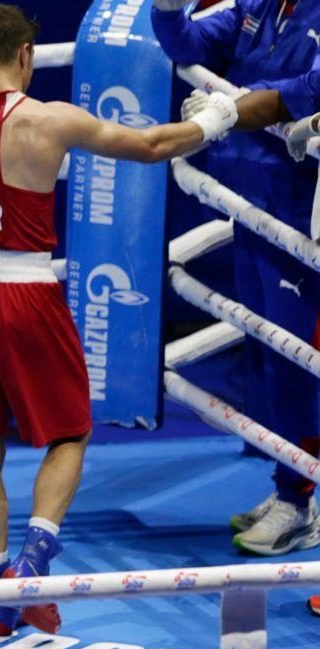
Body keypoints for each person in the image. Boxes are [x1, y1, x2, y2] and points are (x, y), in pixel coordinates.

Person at [0, 3, 238, 636]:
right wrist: (218, 118)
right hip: (22, 291)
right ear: (26, 55)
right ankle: (35, 559)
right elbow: (149, 145)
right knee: (70, 433)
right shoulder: (50, 121)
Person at [152, 0, 320, 557]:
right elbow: (189, 47)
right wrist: (168, 10)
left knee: (294, 362)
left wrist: (226, 107)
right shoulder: (259, 5)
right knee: (266, 356)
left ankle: (297, 503)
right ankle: (291, 488)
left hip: (300, 214)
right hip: (253, 205)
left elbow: (303, 91)